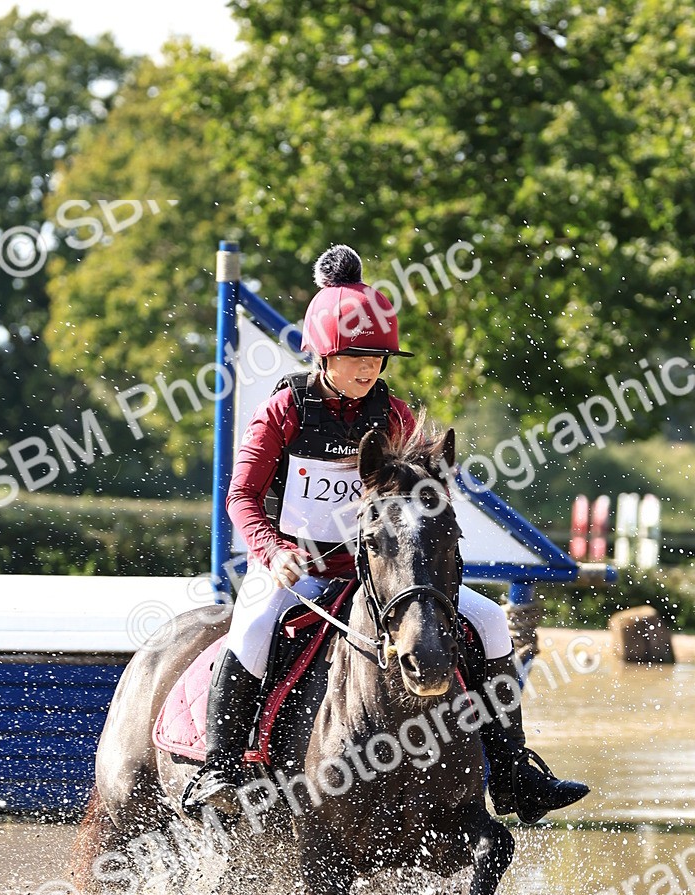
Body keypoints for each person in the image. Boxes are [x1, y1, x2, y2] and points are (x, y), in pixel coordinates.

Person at [183, 245, 589, 824]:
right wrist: (272, 552)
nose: (368, 367)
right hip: (295, 569)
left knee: (494, 621)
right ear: (324, 354)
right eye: (355, 356)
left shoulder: (395, 415)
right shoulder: (283, 413)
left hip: (380, 574)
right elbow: (241, 497)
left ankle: (512, 770)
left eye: (377, 356)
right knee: (250, 627)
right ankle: (217, 769)